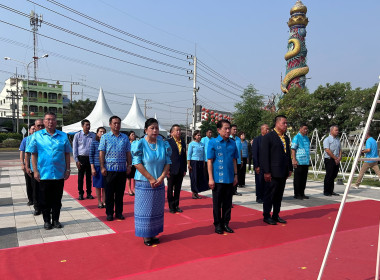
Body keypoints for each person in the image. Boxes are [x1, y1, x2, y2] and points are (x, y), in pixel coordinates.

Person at [26, 112, 72, 230]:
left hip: (59, 174)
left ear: (56, 122)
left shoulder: (63, 136)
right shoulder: (37, 136)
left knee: (57, 199)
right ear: (44, 121)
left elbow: (67, 154)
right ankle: (47, 221)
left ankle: (56, 220)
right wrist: (35, 170)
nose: (50, 122)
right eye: (47, 119)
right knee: (44, 200)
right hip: (44, 174)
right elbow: (33, 154)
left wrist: (67, 169)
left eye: (52, 119)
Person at [132, 118, 171, 246]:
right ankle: (146, 236)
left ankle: (154, 233)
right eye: (152, 128)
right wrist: (150, 178)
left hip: (159, 182)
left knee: (157, 209)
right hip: (144, 182)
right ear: (146, 130)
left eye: (157, 128)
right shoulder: (140, 144)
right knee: (145, 209)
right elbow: (137, 163)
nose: (155, 131)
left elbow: (167, 162)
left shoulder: (163, 144)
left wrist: (161, 178)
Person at [208, 119, 238, 234]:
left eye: (229, 128)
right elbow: (209, 161)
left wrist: (236, 175)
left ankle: (226, 223)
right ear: (219, 130)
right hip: (217, 179)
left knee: (227, 203)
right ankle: (217, 224)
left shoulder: (232, 143)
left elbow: (234, 160)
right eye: (225, 128)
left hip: (230, 178)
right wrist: (210, 178)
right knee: (217, 203)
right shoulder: (213, 142)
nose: (228, 130)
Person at [261, 115, 292, 225]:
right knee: (270, 194)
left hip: (283, 171)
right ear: (277, 123)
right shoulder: (268, 137)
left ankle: (276, 215)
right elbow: (264, 156)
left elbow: (288, 154)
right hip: (272, 172)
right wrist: (267, 171)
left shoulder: (286, 138)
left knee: (279, 195)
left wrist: (290, 168)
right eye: (284, 123)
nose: (286, 125)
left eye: (286, 123)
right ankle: (266, 215)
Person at [99, 116, 131, 221]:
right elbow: (101, 152)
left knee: (119, 193)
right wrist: (102, 166)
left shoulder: (125, 137)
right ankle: (109, 213)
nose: (117, 125)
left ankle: (119, 213)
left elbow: (128, 153)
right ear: (110, 124)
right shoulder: (105, 137)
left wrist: (129, 165)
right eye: (114, 123)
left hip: (121, 170)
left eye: (118, 123)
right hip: (109, 170)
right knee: (109, 193)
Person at [25, 119, 45, 216]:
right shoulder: (30, 138)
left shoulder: (47, 137)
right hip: (35, 169)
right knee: (36, 190)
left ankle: (45, 207)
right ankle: (37, 207)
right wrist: (27, 167)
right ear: (35, 127)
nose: (40, 127)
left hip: (46, 169)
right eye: (38, 126)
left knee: (45, 190)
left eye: (42, 125)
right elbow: (27, 154)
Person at [73, 119, 96, 200]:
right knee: (80, 177)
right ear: (82, 126)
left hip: (90, 158)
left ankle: (89, 193)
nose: (88, 126)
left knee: (89, 177)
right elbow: (75, 149)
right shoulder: (77, 135)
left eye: (89, 125)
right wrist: (76, 160)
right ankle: (81, 193)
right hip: (81, 158)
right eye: (86, 125)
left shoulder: (93, 135)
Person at [167, 124, 186, 213]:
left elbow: (183, 157)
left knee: (178, 188)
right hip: (171, 169)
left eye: (179, 130)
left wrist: (184, 169)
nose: (179, 132)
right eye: (177, 130)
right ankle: (171, 206)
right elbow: (166, 156)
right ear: (172, 132)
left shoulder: (182, 142)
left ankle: (176, 205)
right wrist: (166, 169)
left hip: (180, 169)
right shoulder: (168, 142)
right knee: (170, 189)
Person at [187, 130, 209, 199]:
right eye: (198, 135)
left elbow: (203, 154)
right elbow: (189, 154)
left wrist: (203, 163)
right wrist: (189, 164)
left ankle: (197, 192)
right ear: (194, 136)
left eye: (200, 135)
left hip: (200, 162)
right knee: (194, 177)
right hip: (194, 162)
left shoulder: (202, 144)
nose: (199, 136)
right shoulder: (192, 144)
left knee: (199, 177)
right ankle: (193, 192)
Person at [291, 124, 311, 199]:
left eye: (307, 129)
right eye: (304, 129)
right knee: (298, 178)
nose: (306, 130)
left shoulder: (306, 138)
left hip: (305, 161)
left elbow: (308, 149)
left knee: (304, 178)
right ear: (300, 129)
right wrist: (294, 159)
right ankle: (297, 194)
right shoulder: (296, 137)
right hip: (299, 161)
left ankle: (302, 193)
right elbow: (293, 149)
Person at [252, 124, 269, 203]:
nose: (268, 131)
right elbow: (255, 154)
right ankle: (259, 197)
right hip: (260, 165)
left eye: (268, 129)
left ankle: (266, 196)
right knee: (259, 181)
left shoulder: (270, 139)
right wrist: (256, 165)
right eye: (266, 129)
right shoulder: (257, 140)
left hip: (268, 166)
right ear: (262, 130)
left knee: (267, 182)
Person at [90, 127, 106, 208]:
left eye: (104, 132)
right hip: (96, 166)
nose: (102, 133)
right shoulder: (94, 143)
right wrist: (92, 168)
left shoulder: (107, 142)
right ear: (97, 133)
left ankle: (104, 201)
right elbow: (91, 156)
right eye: (100, 131)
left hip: (106, 166)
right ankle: (99, 201)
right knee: (98, 185)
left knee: (105, 185)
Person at [19, 124, 35, 206]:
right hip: (28, 164)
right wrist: (22, 164)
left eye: (35, 129)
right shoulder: (26, 140)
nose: (34, 130)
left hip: (37, 165)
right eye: (32, 129)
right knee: (29, 183)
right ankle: (30, 199)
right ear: (29, 130)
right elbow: (22, 152)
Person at [323, 125, 341, 196]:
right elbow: (327, 150)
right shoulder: (327, 140)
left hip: (336, 159)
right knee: (329, 175)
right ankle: (326, 191)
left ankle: (331, 190)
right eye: (336, 130)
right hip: (329, 159)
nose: (337, 131)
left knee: (334, 175)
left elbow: (340, 149)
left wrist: (339, 157)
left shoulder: (337, 140)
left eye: (337, 130)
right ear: (331, 131)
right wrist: (335, 158)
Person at [230, 124, 242, 195]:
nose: (235, 131)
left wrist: (242, 160)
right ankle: (230, 190)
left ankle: (235, 190)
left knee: (237, 175)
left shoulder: (238, 139)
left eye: (236, 129)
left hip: (238, 160)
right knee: (231, 175)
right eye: (234, 129)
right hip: (231, 160)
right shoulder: (229, 138)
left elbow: (240, 150)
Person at [126, 131, 137, 196]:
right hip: (129, 162)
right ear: (129, 136)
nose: (133, 136)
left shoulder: (136, 143)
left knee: (135, 177)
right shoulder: (127, 143)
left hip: (135, 162)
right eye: (132, 135)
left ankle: (134, 189)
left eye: (134, 134)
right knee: (129, 177)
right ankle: (129, 189)